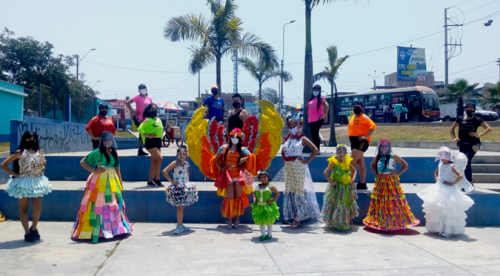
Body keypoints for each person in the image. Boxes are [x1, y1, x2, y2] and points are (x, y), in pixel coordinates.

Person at [72, 132, 132, 243]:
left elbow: (118, 169)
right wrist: (94, 170)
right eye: (105, 140)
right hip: (99, 182)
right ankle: (97, 230)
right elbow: (83, 162)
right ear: (102, 142)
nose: (107, 142)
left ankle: (114, 229)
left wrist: (120, 184)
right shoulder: (97, 152)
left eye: (109, 140)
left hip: (113, 182)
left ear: (112, 141)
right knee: (99, 203)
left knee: (113, 204)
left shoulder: (114, 153)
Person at [1, 131, 52, 242]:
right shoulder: (20, 152)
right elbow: (3, 165)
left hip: (37, 182)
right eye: (28, 139)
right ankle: (27, 232)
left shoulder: (39, 152)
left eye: (33, 139)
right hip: (23, 182)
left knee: (37, 207)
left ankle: (34, 228)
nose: (31, 141)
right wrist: (15, 174)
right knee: (24, 208)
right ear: (24, 139)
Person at [363, 139, 420, 231]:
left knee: (392, 200)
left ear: (389, 147)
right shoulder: (377, 156)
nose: (384, 148)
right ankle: (381, 221)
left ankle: (393, 222)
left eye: (386, 146)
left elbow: (405, 165)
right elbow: (372, 165)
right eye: (382, 146)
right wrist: (376, 173)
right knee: (381, 201)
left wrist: (397, 174)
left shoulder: (394, 156)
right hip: (380, 181)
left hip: (391, 182)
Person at [417, 146, 474, 237]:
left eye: (444, 156)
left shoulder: (452, 166)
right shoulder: (440, 164)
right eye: (441, 156)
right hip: (439, 188)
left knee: (447, 210)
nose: (442, 158)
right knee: (437, 209)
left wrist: (452, 184)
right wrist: (437, 181)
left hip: (448, 190)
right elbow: (436, 172)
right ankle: (439, 228)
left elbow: (460, 176)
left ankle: (448, 230)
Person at [282, 119, 322, 229]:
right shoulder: (288, 139)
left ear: (298, 126)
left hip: (298, 166)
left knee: (298, 190)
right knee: (290, 190)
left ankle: (299, 217)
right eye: (290, 126)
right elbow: (283, 151)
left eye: (294, 126)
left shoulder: (302, 138)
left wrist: (306, 161)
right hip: (289, 167)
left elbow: (315, 149)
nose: (292, 128)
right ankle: (293, 215)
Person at [213, 128, 256, 229]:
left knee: (238, 198)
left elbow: (252, 157)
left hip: (239, 175)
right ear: (230, 137)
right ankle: (229, 220)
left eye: (237, 137)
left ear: (240, 138)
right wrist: (220, 168)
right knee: (230, 198)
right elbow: (216, 158)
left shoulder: (243, 149)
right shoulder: (224, 148)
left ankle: (237, 220)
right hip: (227, 175)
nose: (234, 138)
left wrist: (242, 159)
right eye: (233, 136)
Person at [449, 102, 492, 185]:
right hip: (462, 143)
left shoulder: (478, 119)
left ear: (474, 109)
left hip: (473, 143)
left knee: (467, 160)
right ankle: (463, 181)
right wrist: (454, 138)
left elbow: (488, 128)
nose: (469, 110)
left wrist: (478, 135)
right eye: (467, 108)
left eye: (471, 108)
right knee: (463, 161)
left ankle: (470, 182)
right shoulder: (460, 119)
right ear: (465, 109)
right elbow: (451, 129)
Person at [321, 144, 358, 231]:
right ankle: (334, 222)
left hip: (345, 187)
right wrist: (331, 182)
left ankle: (343, 223)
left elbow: (354, 170)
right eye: (339, 152)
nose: (341, 154)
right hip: (336, 187)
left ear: (346, 153)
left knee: (344, 204)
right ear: (337, 153)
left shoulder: (348, 161)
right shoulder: (334, 162)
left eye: (343, 152)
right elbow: (325, 172)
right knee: (335, 203)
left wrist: (353, 179)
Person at [163, 145, 198, 235]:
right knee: (180, 207)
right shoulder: (175, 163)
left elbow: (187, 172)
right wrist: (172, 181)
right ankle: (179, 225)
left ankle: (181, 224)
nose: (181, 156)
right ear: (177, 155)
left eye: (183, 154)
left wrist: (188, 183)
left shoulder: (186, 164)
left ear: (186, 155)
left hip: (184, 187)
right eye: (180, 154)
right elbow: (164, 171)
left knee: (182, 207)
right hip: (177, 188)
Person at [347, 101, 377, 190]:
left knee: (351, 161)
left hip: (361, 142)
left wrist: (366, 136)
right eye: (354, 106)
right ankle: (362, 183)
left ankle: (351, 183)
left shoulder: (364, 117)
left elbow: (373, 126)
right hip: (353, 141)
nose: (356, 108)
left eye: (358, 106)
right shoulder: (352, 117)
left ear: (362, 108)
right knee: (360, 163)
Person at [138, 103, 164, 187]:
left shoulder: (159, 120)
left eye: (156, 109)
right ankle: (157, 179)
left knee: (155, 161)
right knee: (160, 158)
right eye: (153, 109)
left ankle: (150, 180)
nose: (155, 110)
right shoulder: (147, 120)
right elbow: (140, 128)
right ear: (149, 110)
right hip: (150, 141)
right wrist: (148, 136)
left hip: (158, 141)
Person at [251, 170, 280, 241]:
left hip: (268, 207)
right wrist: (254, 199)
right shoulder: (257, 186)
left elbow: (277, 194)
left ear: (268, 177)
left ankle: (269, 234)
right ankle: (262, 234)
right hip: (259, 207)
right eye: (261, 178)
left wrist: (272, 200)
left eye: (264, 177)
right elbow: (254, 193)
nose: (263, 179)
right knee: (261, 221)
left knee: (269, 221)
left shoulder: (271, 187)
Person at [125, 83, 153, 156]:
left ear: (146, 89)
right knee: (141, 132)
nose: (143, 89)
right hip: (138, 118)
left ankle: (147, 148)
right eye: (141, 88)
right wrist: (133, 111)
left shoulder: (149, 98)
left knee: (147, 133)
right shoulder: (137, 97)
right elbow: (127, 103)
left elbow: (152, 107)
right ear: (139, 90)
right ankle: (140, 150)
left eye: (143, 88)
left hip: (147, 119)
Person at [307, 84, 329, 153]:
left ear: (319, 91)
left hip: (318, 119)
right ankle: (315, 149)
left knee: (315, 134)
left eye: (317, 90)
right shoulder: (311, 99)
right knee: (313, 134)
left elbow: (327, 106)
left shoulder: (321, 99)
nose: (315, 91)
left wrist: (324, 115)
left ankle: (317, 150)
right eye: (314, 90)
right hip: (311, 119)